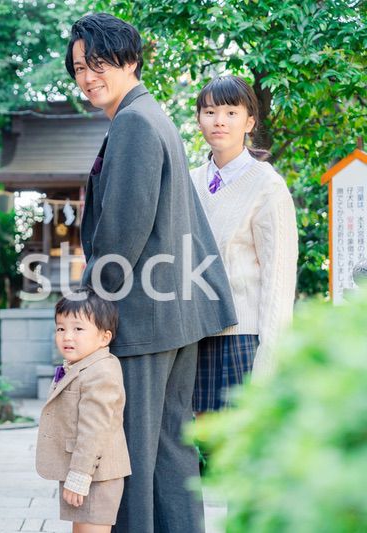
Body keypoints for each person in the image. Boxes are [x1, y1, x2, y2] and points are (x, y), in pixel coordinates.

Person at [65, 13, 238, 533]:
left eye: (99, 63)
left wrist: (87, 314)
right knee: (169, 452)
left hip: (142, 320)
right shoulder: (149, 115)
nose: (88, 76)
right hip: (172, 318)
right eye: (79, 67)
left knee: (130, 457)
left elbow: (122, 232)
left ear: (130, 60)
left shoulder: (134, 123)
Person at [191, 76, 298, 412]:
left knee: (234, 441)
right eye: (210, 112)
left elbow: (278, 279)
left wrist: (270, 358)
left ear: (249, 122)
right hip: (191, 338)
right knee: (193, 442)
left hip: (242, 340)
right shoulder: (189, 182)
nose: (219, 121)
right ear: (199, 119)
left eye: (231, 112)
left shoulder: (267, 186)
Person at [36, 289, 131, 533]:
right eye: (60, 328)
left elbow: (94, 431)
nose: (67, 336)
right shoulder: (80, 366)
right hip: (85, 473)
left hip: (95, 476)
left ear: (104, 337)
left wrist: (79, 475)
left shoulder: (101, 372)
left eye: (78, 329)